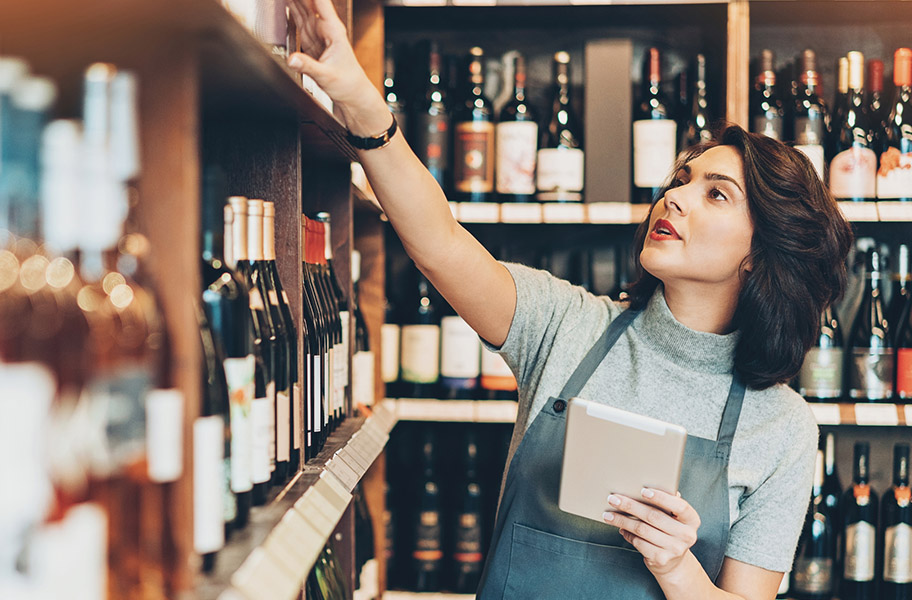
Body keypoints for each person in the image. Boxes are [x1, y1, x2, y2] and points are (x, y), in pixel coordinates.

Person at [285, 2, 854, 597]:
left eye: (716, 195)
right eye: (683, 179)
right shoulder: (566, 325)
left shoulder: (781, 426)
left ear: (760, 254)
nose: (676, 198)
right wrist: (358, 99)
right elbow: (438, 241)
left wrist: (676, 567)